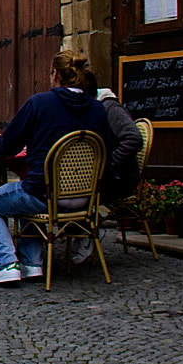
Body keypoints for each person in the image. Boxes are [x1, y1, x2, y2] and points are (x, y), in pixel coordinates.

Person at [0, 49, 112, 287]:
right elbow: (110, 147)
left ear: (54, 74)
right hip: (85, 198)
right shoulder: (97, 108)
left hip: (45, 195)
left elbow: (6, 147)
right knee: (26, 190)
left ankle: (6, 264)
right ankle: (32, 263)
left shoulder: (40, 103)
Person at [76, 71, 144, 266]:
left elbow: (133, 138)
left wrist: (110, 166)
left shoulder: (108, 107)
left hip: (118, 180)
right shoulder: (93, 108)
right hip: (98, 176)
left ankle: (86, 230)